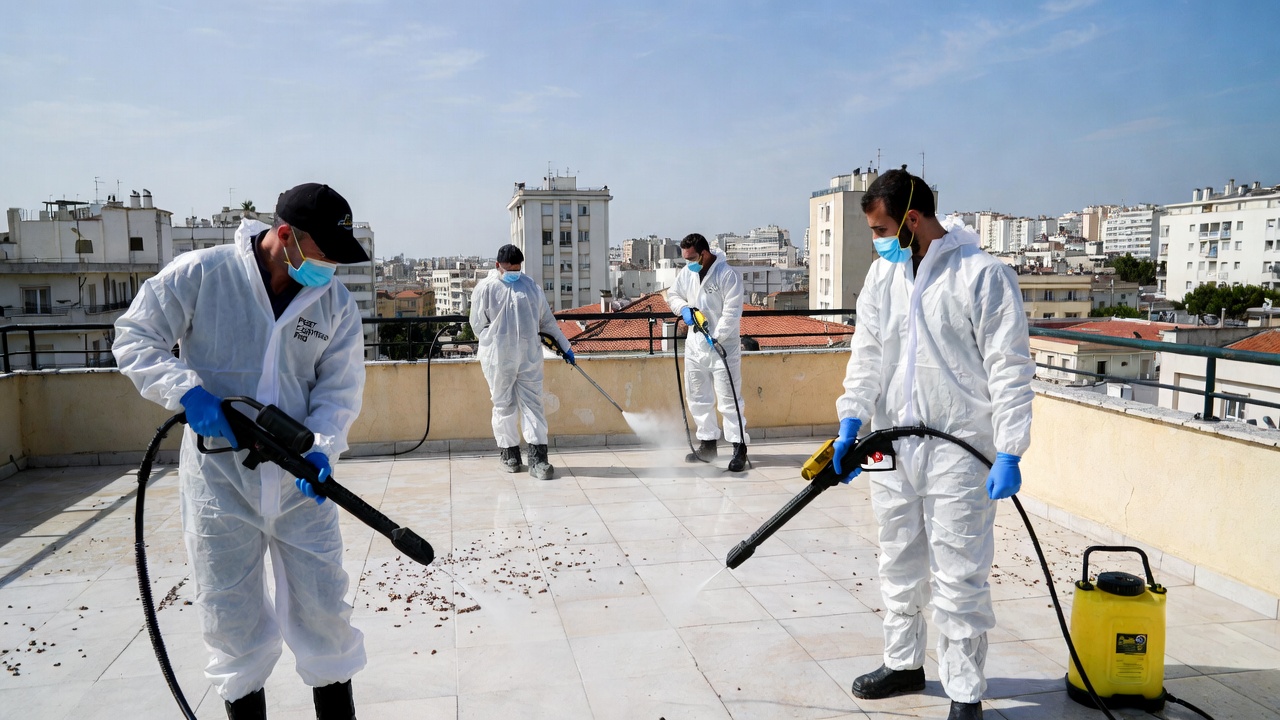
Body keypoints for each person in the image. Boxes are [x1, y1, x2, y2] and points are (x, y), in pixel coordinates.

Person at [113, 183, 370, 720]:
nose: (329, 268)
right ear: (285, 237)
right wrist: (187, 391)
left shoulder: (335, 304)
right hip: (219, 483)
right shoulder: (203, 274)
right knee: (232, 621)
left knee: (326, 615)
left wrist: (322, 448)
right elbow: (135, 336)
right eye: (323, 253)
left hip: (300, 484)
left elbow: (339, 389)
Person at [832, 169, 1034, 720]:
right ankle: (903, 664)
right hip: (894, 445)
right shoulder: (882, 278)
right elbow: (867, 354)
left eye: (880, 228)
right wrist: (852, 421)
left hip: (959, 450)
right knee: (897, 559)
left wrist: (1011, 448)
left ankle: (965, 693)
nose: (877, 238)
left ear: (911, 221)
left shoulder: (983, 275)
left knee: (958, 573)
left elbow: (1009, 367)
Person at [469, 244, 574, 480]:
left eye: (517, 268)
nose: (514, 273)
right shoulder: (485, 289)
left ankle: (539, 459)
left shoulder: (530, 288)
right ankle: (510, 454)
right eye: (509, 269)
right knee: (503, 404)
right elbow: (478, 325)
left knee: (533, 404)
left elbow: (546, 322)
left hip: (529, 358)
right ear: (498, 266)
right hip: (498, 359)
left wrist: (565, 347)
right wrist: (497, 342)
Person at [668, 233, 749, 472]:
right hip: (695, 347)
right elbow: (673, 294)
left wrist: (716, 337)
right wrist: (683, 309)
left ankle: (738, 446)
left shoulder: (728, 275)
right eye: (685, 259)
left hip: (723, 348)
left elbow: (732, 312)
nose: (688, 263)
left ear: (704, 253)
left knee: (729, 399)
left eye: (691, 258)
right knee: (698, 396)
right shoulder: (688, 273)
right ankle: (708, 444)